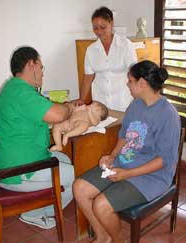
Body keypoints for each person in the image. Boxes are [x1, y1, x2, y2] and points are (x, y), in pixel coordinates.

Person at [73, 60, 181, 243]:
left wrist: (128, 173)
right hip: (124, 164)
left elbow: (164, 161)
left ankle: (118, 240)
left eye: (130, 81)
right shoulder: (136, 105)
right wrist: (113, 156)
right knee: (80, 188)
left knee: (101, 205)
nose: (127, 84)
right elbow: (124, 136)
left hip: (152, 176)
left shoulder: (167, 114)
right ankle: (103, 236)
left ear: (142, 83)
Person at [0, 46, 75, 229]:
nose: (42, 73)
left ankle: (39, 207)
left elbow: (40, 113)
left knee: (64, 159)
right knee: (73, 174)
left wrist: (63, 108)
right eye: (41, 67)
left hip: (7, 162)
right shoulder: (21, 92)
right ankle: (35, 214)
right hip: (15, 172)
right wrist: (70, 107)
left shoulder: (13, 88)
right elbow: (57, 115)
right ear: (31, 65)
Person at [75, 6, 137, 112]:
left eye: (103, 27)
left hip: (124, 102)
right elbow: (88, 78)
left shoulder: (126, 45)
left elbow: (135, 74)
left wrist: (138, 101)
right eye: (95, 28)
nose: (99, 31)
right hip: (100, 104)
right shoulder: (91, 50)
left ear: (111, 23)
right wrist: (82, 100)